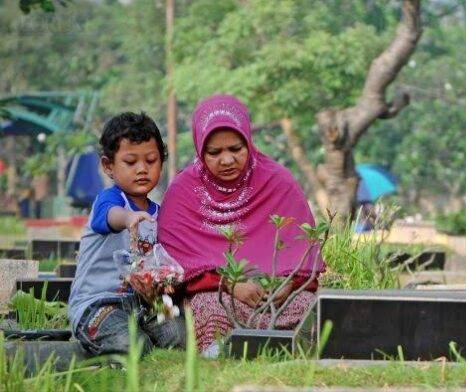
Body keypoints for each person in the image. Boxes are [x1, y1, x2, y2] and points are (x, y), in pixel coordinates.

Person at [158, 95, 324, 357]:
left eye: (236, 149)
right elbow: (175, 265)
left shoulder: (277, 181)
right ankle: (220, 359)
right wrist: (232, 285)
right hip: (218, 295)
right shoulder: (183, 192)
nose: (227, 160)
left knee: (309, 307)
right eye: (214, 152)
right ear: (201, 149)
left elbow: (302, 251)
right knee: (209, 308)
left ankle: (295, 353)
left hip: (275, 297)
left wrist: (287, 285)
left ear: (248, 141)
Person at [68, 112, 185, 356]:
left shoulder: (159, 213)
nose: (142, 169)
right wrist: (129, 217)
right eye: (131, 162)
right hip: (99, 304)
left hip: (147, 304)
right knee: (133, 344)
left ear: (161, 162)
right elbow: (110, 216)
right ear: (108, 166)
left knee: (180, 336)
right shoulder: (109, 201)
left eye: (151, 160)